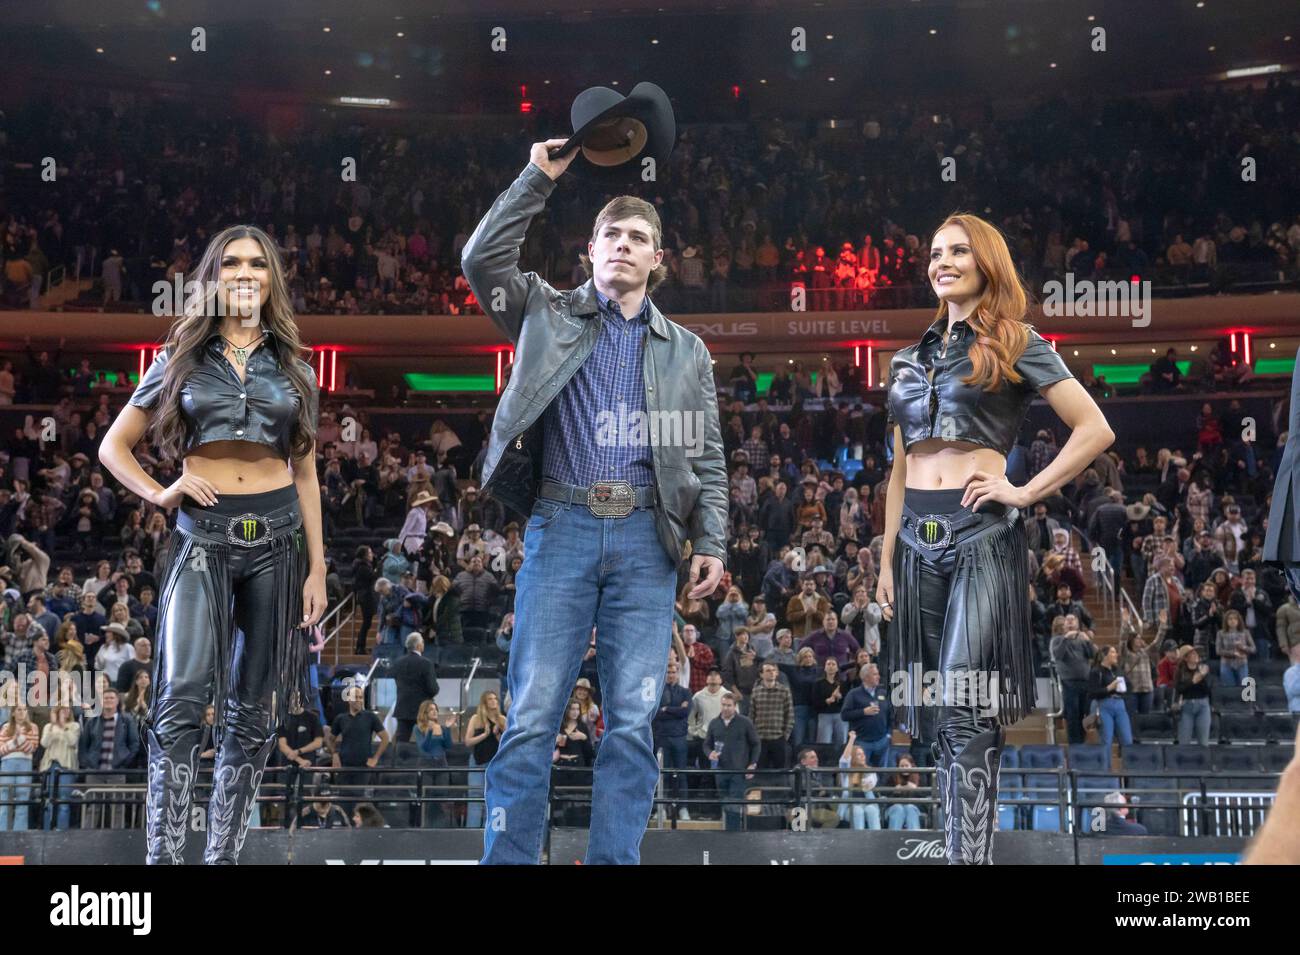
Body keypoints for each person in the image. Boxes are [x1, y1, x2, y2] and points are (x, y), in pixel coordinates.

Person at [463, 137, 727, 865]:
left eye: (639, 237)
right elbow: (480, 262)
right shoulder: (544, 312)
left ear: (656, 261)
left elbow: (706, 455)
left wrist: (713, 541)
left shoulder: (689, 351)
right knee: (530, 716)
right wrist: (535, 178)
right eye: (612, 233)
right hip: (562, 524)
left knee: (634, 721)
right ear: (590, 250)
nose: (623, 244)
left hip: (649, 541)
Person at [877, 213, 1114, 864]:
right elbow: (900, 467)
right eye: (934, 251)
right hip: (915, 543)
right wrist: (885, 561)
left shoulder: (1017, 339)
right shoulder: (908, 357)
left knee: (963, 701)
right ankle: (964, 852)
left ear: (987, 262)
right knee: (936, 716)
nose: (943, 260)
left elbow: (1094, 427)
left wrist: (1024, 489)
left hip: (982, 531)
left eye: (958, 250)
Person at [98, 224, 324, 864]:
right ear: (214, 277)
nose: (245, 273)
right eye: (231, 264)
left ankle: (220, 858)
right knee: (182, 701)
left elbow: (305, 471)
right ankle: (164, 861)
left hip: (279, 543)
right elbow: (113, 446)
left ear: (272, 278)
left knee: (253, 712)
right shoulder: (182, 359)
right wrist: (160, 492)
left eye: (257, 263)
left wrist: (319, 570)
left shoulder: (297, 369)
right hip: (202, 539)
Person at [327, 680, 389, 813]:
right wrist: (334, 754)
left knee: (359, 800)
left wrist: (376, 758)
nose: (359, 700)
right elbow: (329, 739)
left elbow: (385, 738)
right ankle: (344, 825)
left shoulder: (370, 717)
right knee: (343, 799)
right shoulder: (341, 718)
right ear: (349, 700)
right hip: (344, 766)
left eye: (361, 697)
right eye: (356, 697)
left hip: (363, 766)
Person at [705, 692, 759, 831]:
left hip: (739, 771)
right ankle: (729, 832)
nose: (726, 708)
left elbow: (756, 744)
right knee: (724, 801)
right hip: (721, 770)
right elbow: (706, 744)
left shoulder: (745, 722)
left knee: (734, 803)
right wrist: (710, 753)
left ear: (735, 706)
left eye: (729, 705)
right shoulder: (714, 723)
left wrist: (752, 764)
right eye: (723, 705)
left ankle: (732, 834)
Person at [652, 658, 692, 820]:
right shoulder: (657, 692)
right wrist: (676, 709)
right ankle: (660, 808)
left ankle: (683, 807)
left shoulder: (685, 692)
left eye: (674, 672)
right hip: (662, 737)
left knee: (681, 774)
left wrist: (667, 709)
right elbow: (655, 714)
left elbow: (685, 712)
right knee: (661, 775)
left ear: (678, 674)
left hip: (679, 738)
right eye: (668, 672)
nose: (671, 675)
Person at [390, 632, 439, 745]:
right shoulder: (426, 663)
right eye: (422, 642)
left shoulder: (398, 662)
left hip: (403, 708)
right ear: (418, 646)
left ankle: (397, 762)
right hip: (423, 710)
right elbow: (433, 689)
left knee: (401, 743)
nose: (423, 644)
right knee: (426, 742)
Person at [0, 703, 40, 830]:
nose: (22, 712)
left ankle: (19, 833)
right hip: (7, 764)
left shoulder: (33, 727)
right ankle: (2, 831)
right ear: (13, 713)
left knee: (23, 798)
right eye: (19, 710)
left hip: (25, 764)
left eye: (24, 710)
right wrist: (14, 741)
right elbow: (1, 750)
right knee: (4, 798)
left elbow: (31, 748)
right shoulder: (6, 727)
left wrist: (20, 738)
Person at [40, 705, 80, 831]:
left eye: (68, 709)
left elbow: (72, 741)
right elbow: (44, 743)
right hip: (51, 765)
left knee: (64, 800)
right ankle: (47, 830)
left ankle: (62, 831)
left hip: (66, 766)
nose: (66, 711)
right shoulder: (48, 727)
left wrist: (63, 726)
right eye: (63, 709)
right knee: (49, 800)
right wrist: (53, 726)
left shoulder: (74, 726)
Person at [1089, 645, 1133, 752]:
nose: (1116, 655)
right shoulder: (1096, 671)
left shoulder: (1118, 669)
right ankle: (1105, 767)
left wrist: (1123, 689)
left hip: (1119, 704)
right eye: (1112, 652)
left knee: (1127, 739)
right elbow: (1092, 692)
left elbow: (1129, 685)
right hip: (1104, 704)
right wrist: (1109, 688)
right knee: (1106, 740)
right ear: (1105, 656)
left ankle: (1128, 767)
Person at [837, 734, 881, 830]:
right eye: (859, 754)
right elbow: (844, 761)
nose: (863, 756)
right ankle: (859, 841)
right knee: (857, 810)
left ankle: (877, 839)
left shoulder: (870, 772)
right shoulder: (846, 773)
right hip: (850, 807)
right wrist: (852, 739)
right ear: (852, 757)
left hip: (867, 804)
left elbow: (871, 784)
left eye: (863, 754)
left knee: (872, 810)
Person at [1174, 646, 1213, 745]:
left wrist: (1202, 676)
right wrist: (1192, 681)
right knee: (1184, 741)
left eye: (1196, 653)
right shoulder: (1180, 672)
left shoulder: (1203, 669)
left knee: (1203, 742)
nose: (1196, 655)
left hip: (1203, 705)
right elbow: (1179, 689)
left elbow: (1208, 690)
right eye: (1192, 653)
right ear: (1186, 658)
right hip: (1186, 705)